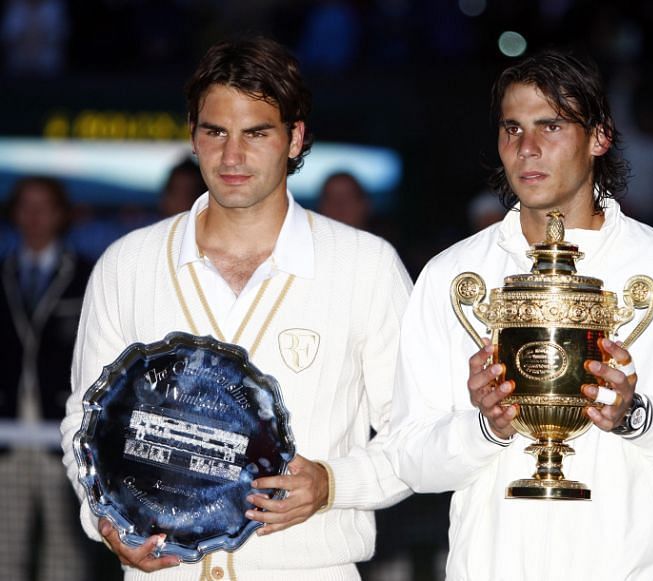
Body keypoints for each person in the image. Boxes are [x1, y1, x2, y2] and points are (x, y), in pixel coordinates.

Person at [386, 48, 653, 580]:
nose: (527, 148)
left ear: (599, 136)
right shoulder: (453, 275)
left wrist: (637, 416)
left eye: (552, 126)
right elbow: (407, 457)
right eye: (512, 129)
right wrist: (487, 426)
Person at [60, 36, 411, 581]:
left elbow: (412, 432)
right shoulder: (127, 264)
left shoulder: (365, 265)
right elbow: (86, 420)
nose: (232, 156)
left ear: (295, 139)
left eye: (256, 133)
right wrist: (108, 521)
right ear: (193, 138)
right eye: (215, 131)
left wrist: (333, 484)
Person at [0, 176, 94, 581]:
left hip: (63, 434)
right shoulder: (2, 274)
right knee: (5, 548)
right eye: (26, 206)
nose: (34, 217)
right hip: (6, 434)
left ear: (60, 214)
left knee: (65, 552)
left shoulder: (86, 276)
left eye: (44, 207)